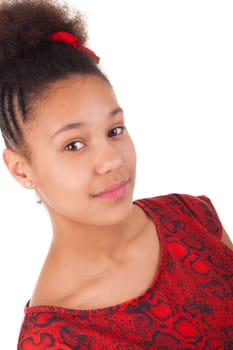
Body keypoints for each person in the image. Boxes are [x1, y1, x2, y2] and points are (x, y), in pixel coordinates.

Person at [0, 0, 232, 349]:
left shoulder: (191, 214)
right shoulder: (54, 339)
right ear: (21, 169)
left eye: (114, 130)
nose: (111, 160)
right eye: (74, 145)